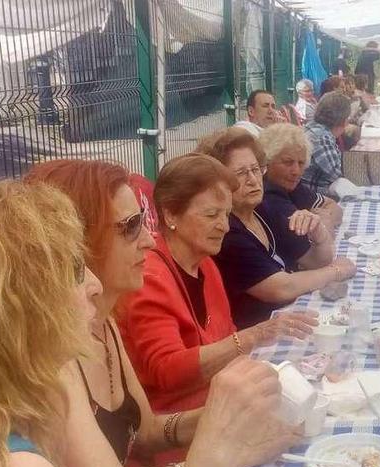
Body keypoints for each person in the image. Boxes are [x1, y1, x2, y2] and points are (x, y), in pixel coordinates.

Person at [0, 181, 300, 467]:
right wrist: (216, 456)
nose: (92, 284)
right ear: (15, 305)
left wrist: (226, 419)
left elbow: (145, 432)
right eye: (75, 267)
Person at [119, 153, 317, 414]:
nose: (224, 226)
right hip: (178, 422)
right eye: (212, 215)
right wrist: (254, 335)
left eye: (226, 214)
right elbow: (166, 370)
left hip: (219, 400)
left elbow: (226, 333)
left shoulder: (204, 262)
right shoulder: (150, 277)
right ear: (170, 214)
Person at [194, 128, 355, 327]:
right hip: (257, 336)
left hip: (289, 318)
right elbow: (280, 288)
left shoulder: (260, 210)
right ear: (217, 182)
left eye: (255, 169)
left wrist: (319, 233)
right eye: (241, 173)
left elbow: (314, 262)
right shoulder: (227, 231)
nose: (253, 180)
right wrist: (337, 271)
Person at [260, 123, 343, 230]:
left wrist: (322, 220)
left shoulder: (292, 187)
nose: (296, 171)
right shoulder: (267, 197)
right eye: (288, 162)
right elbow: (309, 240)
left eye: (301, 163)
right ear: (267, 161)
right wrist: (323, 220)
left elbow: (335, 208)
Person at [302, 92, 352, 195]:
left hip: (310, 192)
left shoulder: (313, 127)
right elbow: (339, 174)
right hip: (314, 197)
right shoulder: (321, 137)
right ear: (343, 120)